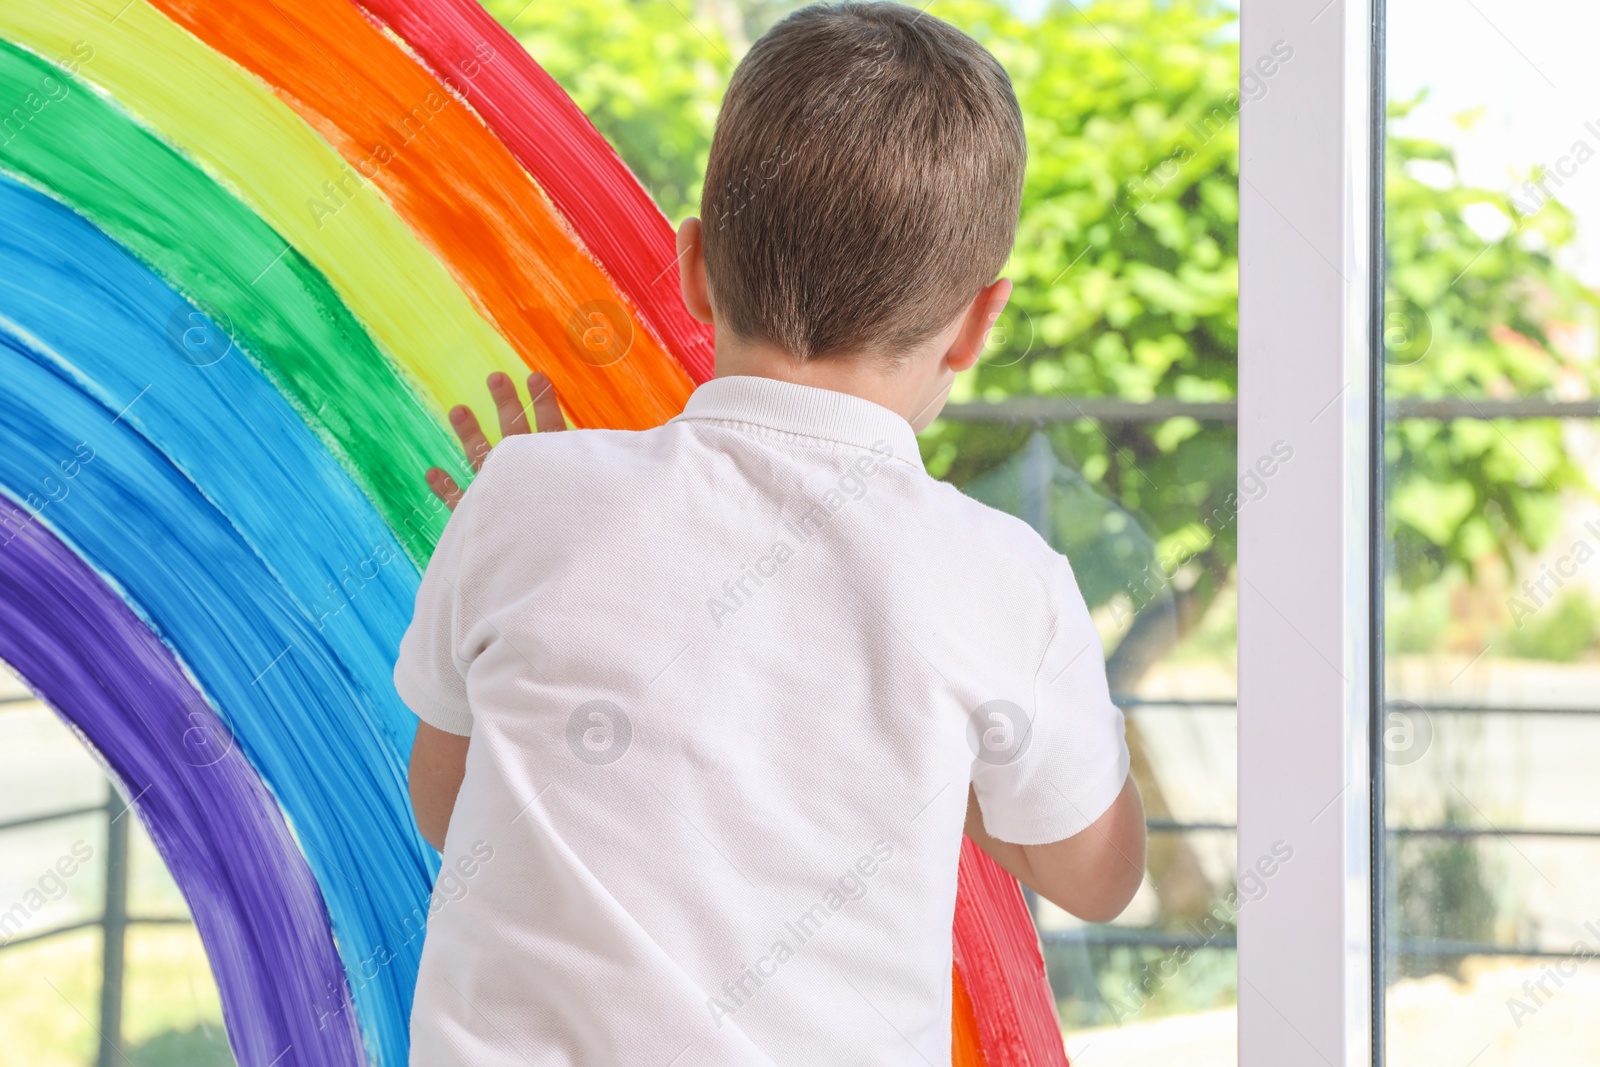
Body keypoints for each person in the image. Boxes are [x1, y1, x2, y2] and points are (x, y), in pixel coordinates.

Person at [396, 4, 1144, 1063]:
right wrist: (956, 748)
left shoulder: (521, 491)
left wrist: (536, 510)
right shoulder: (998, 581)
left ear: (694, 266)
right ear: (979, 322)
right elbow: (1098, 874)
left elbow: (447, 808)